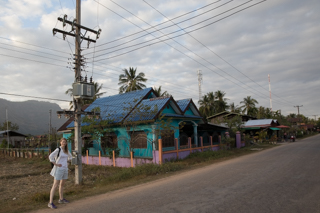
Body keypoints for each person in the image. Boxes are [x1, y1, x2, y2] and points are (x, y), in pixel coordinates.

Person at [48, 138, 72, 209]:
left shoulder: (66, 150)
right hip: (59, 170)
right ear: (60, 142)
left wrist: (67, 163)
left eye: (65, 142)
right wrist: (56, 164)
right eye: (63, 142)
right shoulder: (58, 149)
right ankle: (50, 202)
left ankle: (61, 199)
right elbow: (50, 156)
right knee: (55, 185)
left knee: (62, 184)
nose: (64, 143)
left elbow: (70, 157)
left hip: (65, 169)